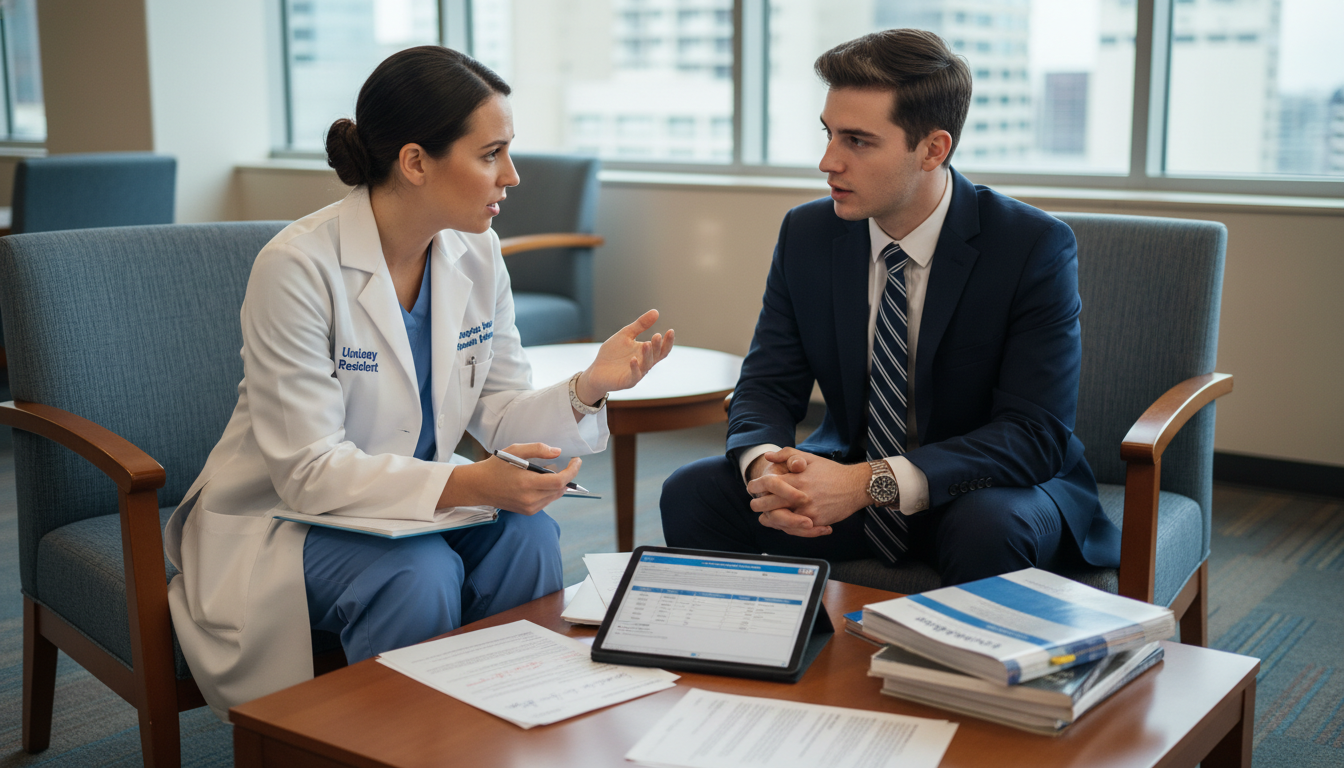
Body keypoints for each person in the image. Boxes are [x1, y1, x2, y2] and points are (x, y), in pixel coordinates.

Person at [164, 46, 673, 720]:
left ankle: (506, 727)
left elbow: (498, 410)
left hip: (413, 501)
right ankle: (407, 748)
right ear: (414, 162)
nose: (512, 175)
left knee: (529, 538)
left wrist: (585, 389)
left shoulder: (476, 251)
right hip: (284, 517)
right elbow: (307, 472)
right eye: (491, 154)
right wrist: (468, 484)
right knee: (416, 574)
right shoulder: (297, 266)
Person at [660, 29, 1119, 585]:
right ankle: (772, 659)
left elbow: (1033, 434)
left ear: (933, 149)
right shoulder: (808, 233)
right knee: (692, 492)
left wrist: (862, 485)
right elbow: (768, 382)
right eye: (828, 133)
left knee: (988, 529)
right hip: (846, 475)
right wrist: (768, 470)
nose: (827, 161)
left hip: (986, 490)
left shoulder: (1030, 246)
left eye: (857, 140)